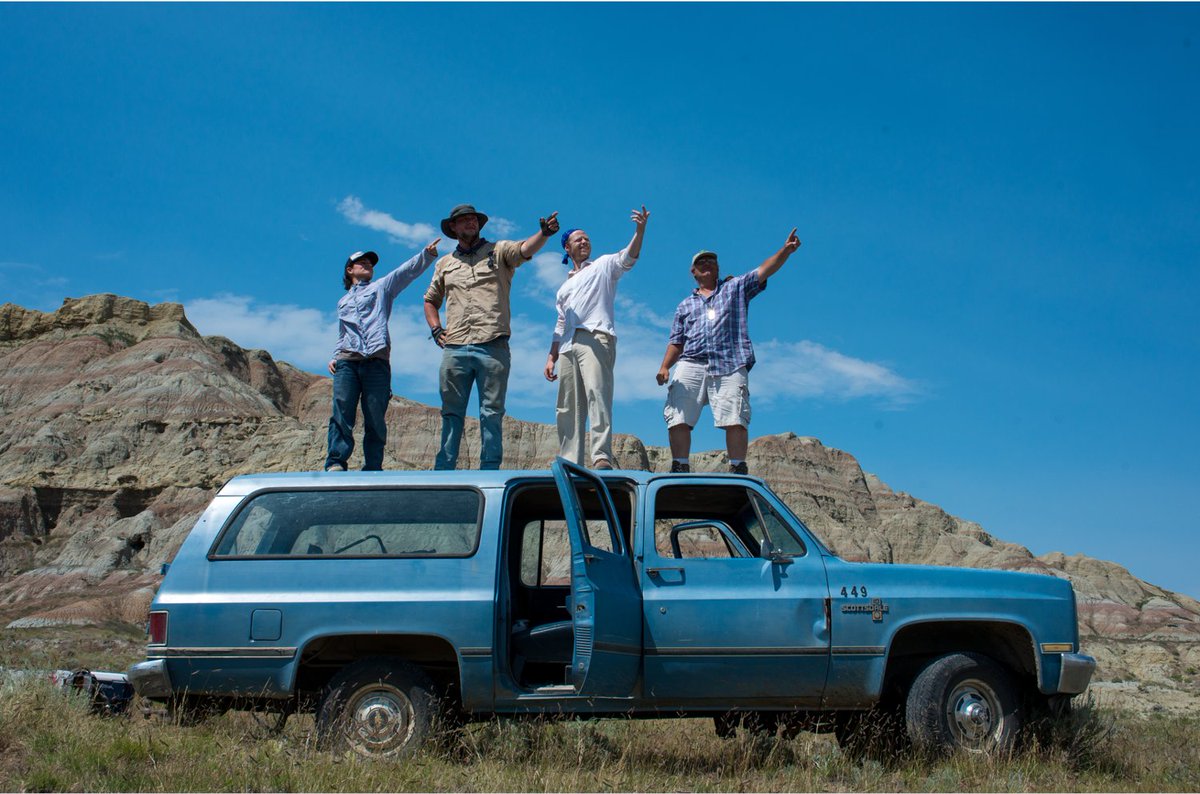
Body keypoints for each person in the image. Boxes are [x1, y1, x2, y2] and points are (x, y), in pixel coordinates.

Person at [655, 228, 802, 474]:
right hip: (691, 362)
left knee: (734, 414)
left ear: (718, 268)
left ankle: (737, 466)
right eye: (701, 262)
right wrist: (664, 366)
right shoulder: (684, 305)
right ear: (693, 272)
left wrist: (785, 250)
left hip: (730, 362)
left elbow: (764, 270)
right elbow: (676, 341)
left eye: (712, 261)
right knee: (678, 412)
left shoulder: (734, 289)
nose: (707, 264)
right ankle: (680, 465)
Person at [425, 203, 560, 470]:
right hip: (455, 348)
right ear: (453, 227)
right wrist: (436, 329)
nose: (470, 223)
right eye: (463, 220)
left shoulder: (498, 252)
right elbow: (430, 300)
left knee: (492, 412)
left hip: (493, 345)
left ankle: (489, 470)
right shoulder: (444, 264)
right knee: (452, 412)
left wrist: (543, 234)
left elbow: (524, 249)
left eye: (473, 219)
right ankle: (444, 470)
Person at [544, 206, 650, 469]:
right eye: (578, 239)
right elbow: (559, 323)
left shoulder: (603, 266)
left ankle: (601, 456)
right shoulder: (564, 287)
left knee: (597, 395)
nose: (584, 241)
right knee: (568, 406)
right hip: (568, 346)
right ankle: (571, 460)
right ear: (567, 249)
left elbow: (629, 257)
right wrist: (551, 356)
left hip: (595, 336)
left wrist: (640, 230)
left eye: (587, 238)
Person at [325, 242, 441, 471]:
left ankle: (373, 466)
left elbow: (404, 272)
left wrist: (426, 255)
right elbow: (343, 332)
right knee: (342, 411)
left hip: (376, 362)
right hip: (347, 361)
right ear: (349, 270)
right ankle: (336, 462)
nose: (368, 264)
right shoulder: (343, 302)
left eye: (370, 262)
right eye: (362, 261)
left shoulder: (381, 288)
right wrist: (335, 356)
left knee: (375, 415)